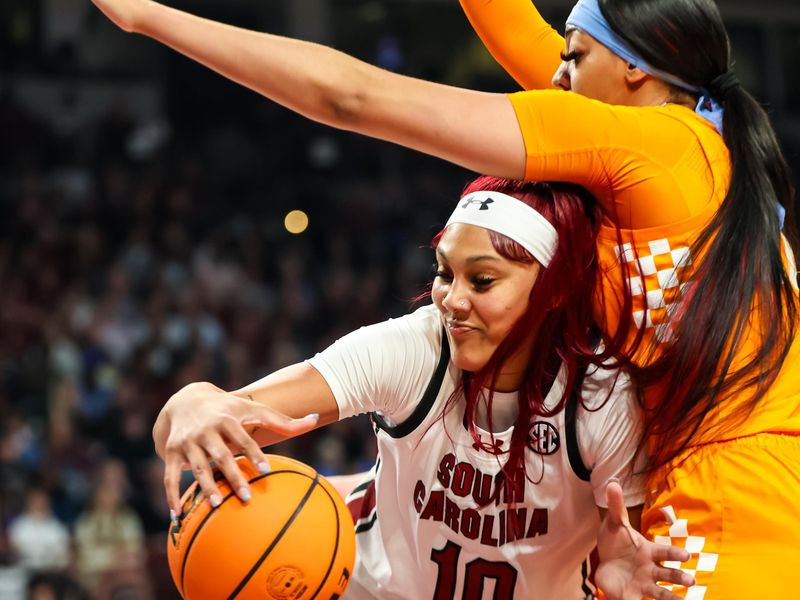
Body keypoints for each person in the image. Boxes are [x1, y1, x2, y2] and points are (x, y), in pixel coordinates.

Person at [89, 0, 800, 596]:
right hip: (731, 474)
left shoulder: (654, 148)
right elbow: (510, 24)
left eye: (574, 57)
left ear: (639, 67)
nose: (554, 75)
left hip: (730, 495)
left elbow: (352, 97)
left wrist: (150, 16)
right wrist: (189, 401)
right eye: (444, 273)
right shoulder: (690, 153)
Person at [155, 175, 690, 598]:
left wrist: (610, 571)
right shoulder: (415, 348)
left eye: (481, 280)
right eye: (444, 273)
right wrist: (191, 402)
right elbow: (226, 418)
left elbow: (622, 552)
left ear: (553, 289)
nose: (452, 300)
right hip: (370, 586)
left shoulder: (601, 397)